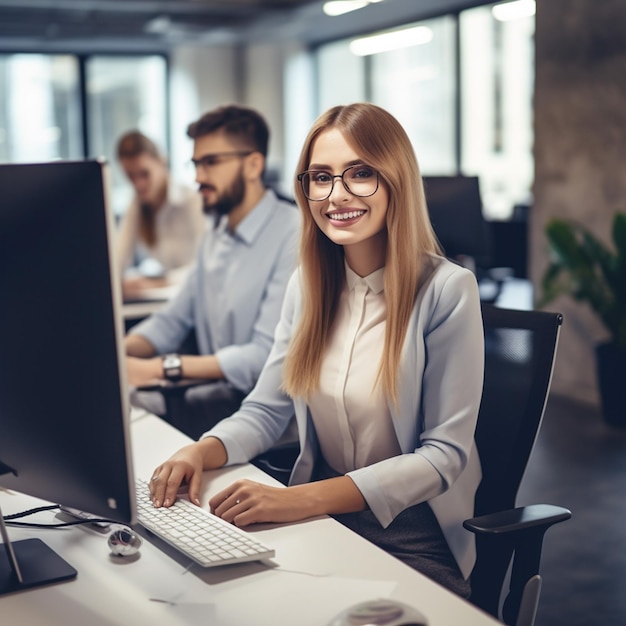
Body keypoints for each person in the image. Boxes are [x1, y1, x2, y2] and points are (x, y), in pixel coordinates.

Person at [148, 103, 484, 597]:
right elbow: (265, 410)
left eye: (360, 174)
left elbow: (441, 457)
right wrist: (200, 451)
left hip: (411, 530)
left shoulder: (448, 290)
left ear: (396, 180)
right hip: (318, 513)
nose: (336, 195)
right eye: (320, 177)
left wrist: (300, 500)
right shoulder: (308, 286)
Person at [125, 105, 300, 439]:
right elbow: (172, 320)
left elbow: (263, 356)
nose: (198, 177)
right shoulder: (215, 236)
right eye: (195, 163)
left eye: (211, 162)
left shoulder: (294, 234)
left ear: (253, 164)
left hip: (271, 426)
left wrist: (157, 368)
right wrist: (119, 352)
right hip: (215, 408)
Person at [115, 130, 205, 299]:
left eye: (144, 174)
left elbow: (206, 266)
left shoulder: (193, 201)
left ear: (162, 162)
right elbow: (118, 260)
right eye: (130, 176)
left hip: (198, 296)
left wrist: (161, 282)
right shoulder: (136, 206)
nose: (138, 184)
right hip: (169, 301)